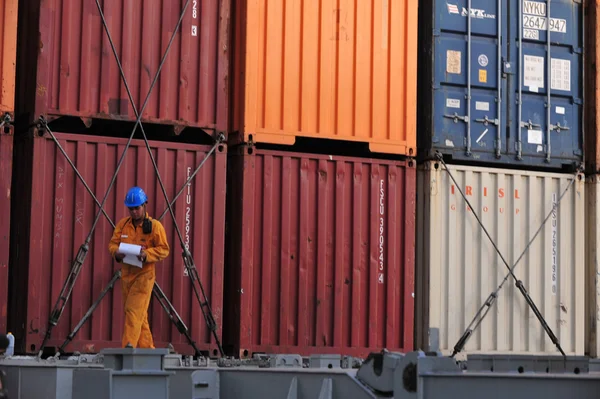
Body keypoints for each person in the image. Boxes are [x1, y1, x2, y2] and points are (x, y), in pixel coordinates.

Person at [108, 186, 170, 349]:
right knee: (139, 316)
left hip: (144, 276)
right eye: (131, 208)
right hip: (127, 275)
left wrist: (147, 255)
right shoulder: (123, 225)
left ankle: (128, 347)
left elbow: (164, 249)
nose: (134, 211)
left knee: (132, 311)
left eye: (137, 208)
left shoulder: (155, 227)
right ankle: (148, 351)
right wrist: (117, 253)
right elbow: (113, 244)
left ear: (144, 205)